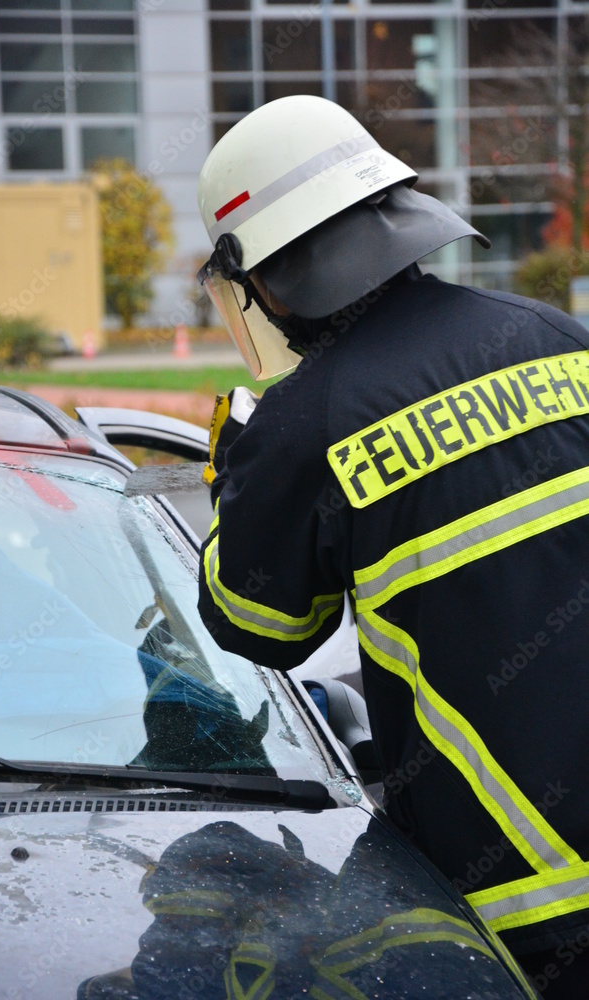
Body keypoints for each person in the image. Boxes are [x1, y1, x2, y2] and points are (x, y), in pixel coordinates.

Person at [195, 94, 589, 997]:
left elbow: (256, 624)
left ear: (263, 277)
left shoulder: (302, 426)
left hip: (522, 898)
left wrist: (233, 477)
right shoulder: (554, 338)